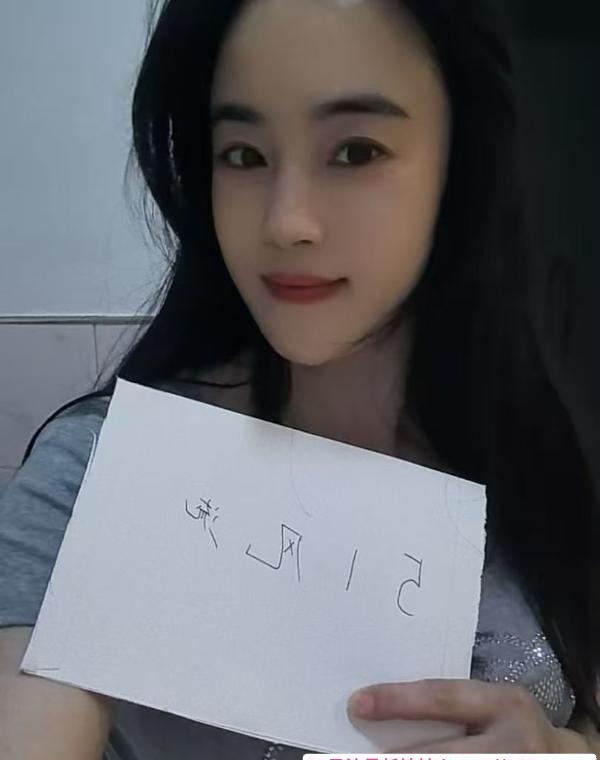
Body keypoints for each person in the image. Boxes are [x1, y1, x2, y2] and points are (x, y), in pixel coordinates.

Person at [0, 0, 598, 757]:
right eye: (243, 154)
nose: (286, 222)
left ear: (462, 160)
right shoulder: (95, 479)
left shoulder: (548, 457)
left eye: (355, 151)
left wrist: (566, 752)